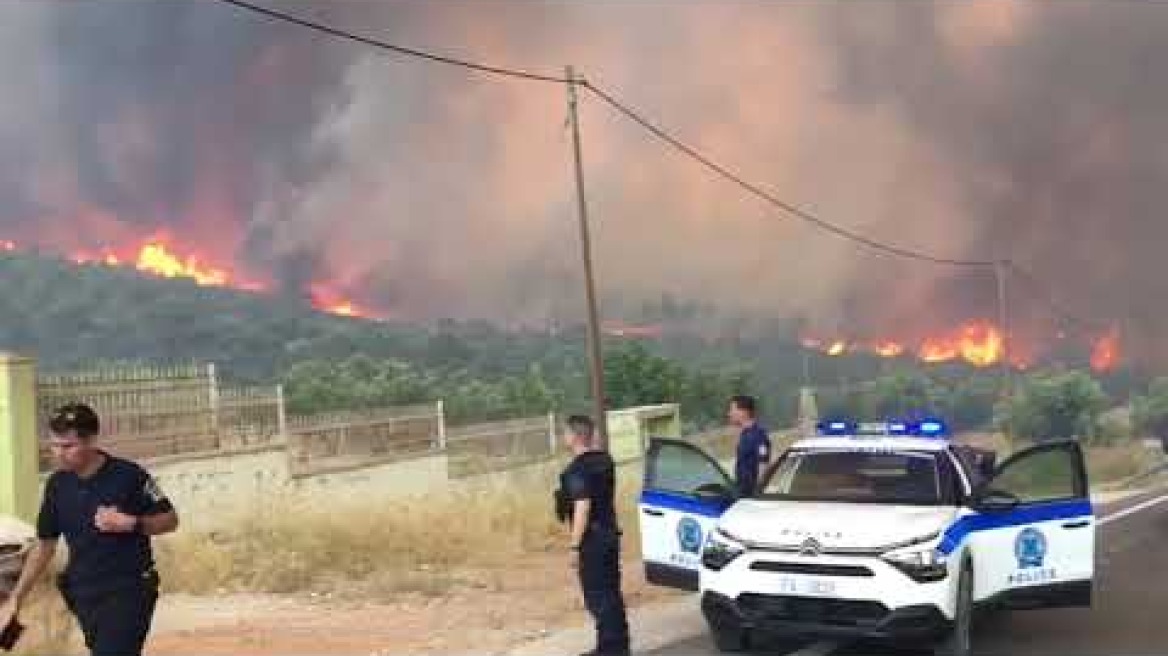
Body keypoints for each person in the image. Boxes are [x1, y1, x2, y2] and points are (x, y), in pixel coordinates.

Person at [0, 402, 179, 656]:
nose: (58, 453)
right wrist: (17, 597)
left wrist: (132, 523)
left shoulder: (129, 475)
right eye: (54, 445)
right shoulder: (57, 485)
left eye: (68, 446)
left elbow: (170, 520)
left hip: (129, 589)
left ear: (92, 441)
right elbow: (45, 544)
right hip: (83, 593)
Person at [555, 414, 630, 656]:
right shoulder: (605, 461)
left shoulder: (575, 470)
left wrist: (574, 547)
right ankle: (616, 646)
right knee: (612, 593)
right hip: (610, 534)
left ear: (574, 436)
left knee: (597, 596)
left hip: (593, 540)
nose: (563, 437)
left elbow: (583, 506)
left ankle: (610, 649)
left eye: (565, 433)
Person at [728, 395, 772, 497]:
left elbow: (763, 464)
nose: (729, 414)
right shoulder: (745, 434)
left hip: (751, 494)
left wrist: (757, 493)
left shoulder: (758, 435)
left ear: (743, 412)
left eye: (732, 410)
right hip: (742, 492)